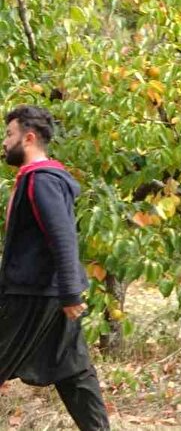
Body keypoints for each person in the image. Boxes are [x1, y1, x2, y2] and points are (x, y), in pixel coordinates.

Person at [0, 105, 110, 430]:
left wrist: (69, 292)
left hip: (35, 295)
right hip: (48, 294)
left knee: (74, 371)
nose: (5, 142)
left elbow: (62, 236)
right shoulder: (37, 179)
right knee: (73, 371)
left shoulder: (42, 181)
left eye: (9, 134)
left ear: (29, 138)